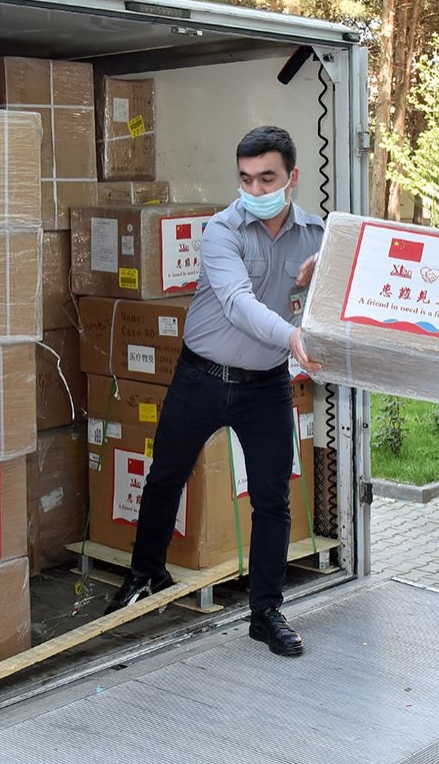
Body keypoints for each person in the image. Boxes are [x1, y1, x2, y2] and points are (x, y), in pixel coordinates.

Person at [104, 125, 324, 658]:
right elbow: (236, 303)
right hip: (200, 376)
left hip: (267, 386)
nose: (254, 189)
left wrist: (326, 279)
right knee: (164, 478)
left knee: (272, 500)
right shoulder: (222, 230)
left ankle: (266, 611)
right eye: (245, 179)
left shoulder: (318, 235)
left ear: (291, 178)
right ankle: (145, 574)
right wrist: (293, 336)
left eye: (266, 178)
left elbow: (354, 284)